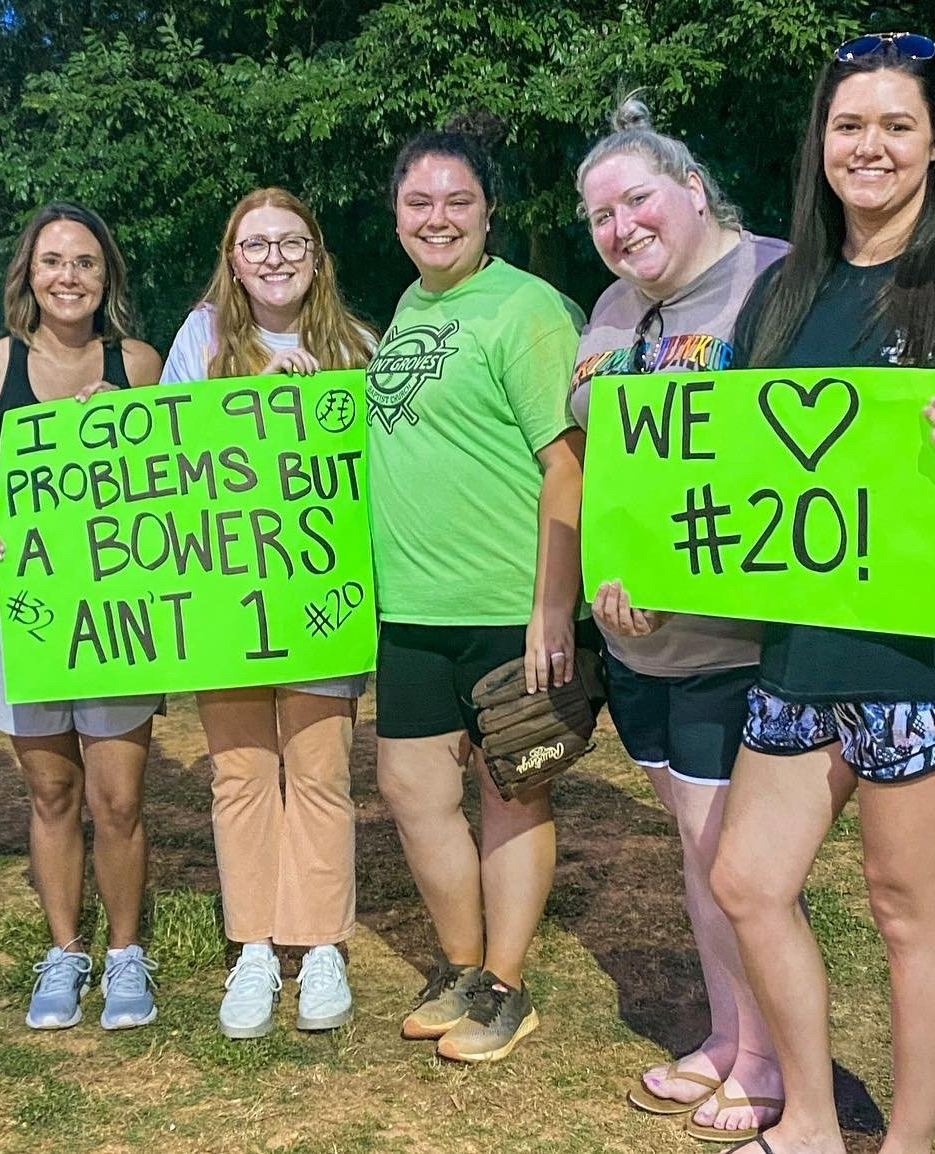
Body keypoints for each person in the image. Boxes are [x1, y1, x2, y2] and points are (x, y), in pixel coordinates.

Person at [709, 32, 935, 1154]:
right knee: (747, 879)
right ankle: (804, 1119)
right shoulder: (779, 292)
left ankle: (910, 1135)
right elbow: (723, 475)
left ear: (933, 143)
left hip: (912, 658)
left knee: (907, 912)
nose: (871, 147)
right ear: (820, 144)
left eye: (896, 124)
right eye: (850, 125)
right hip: (797, 650)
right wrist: (645, 566)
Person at [571, 100, 788, 1140]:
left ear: (693, 186)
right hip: (635, 638)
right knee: (693, 849)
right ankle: (724, 1030)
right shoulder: (610, 310)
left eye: (634, 197)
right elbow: (600, 462)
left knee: (733, 860)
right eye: (597, 213)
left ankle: (765, 1058)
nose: (617, 225)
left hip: (736, 640)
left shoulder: (780, 280)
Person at [368, 117, 583, 1063]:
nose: (439, 217)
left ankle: (506, 984)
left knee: (511, 794)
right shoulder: (405, 314)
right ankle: (461, 967)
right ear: (396, 215)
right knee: (412, 789)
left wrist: (550, 607)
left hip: (507, 603)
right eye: (420, 202)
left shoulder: (527, 308)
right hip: (411, 607)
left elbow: (567, 463)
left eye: (459, 200)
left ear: (489, 212)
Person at [161, 187, 375, 1040]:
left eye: (292, 243)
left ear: (317, 255)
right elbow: (168, 450)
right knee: (242, 775)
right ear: (233, 258)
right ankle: (253, 944)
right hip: (227, 598)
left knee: (320, 773)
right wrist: (249, 396)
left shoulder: (361, 343)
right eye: (257, 245)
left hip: (319, 598)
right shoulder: (200, 338)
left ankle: (320, 941)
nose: (275, 258)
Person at [0, 203, 164, 1031]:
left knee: (117, 799)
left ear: (106, 275)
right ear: (29, 276)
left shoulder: (141, 365)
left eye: (85, 262)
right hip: (22, 611)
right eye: (52, 262)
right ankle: (64, 950)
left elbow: (175, 482)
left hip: (115, 611)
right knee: (51, 791)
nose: (69, 277)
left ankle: (124, 956)